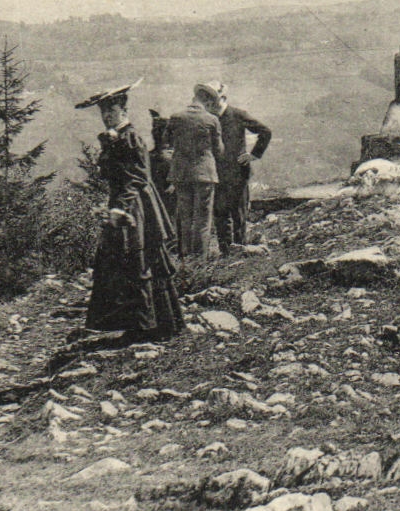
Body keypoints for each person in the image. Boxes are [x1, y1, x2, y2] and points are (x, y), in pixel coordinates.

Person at [75, 81, 185, 342]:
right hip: (125, 202)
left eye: (111, 113)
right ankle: (142, 323)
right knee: (126, 261)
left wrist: (120, 208)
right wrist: (109, 145)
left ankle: (149, 327)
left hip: (135, 204)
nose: (106, 118)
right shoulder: (117, 137)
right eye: (104, 114)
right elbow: (109, 173)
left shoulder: (131, 137)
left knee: (140, 261)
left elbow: (136, 178)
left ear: (124, 112)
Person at [199, 82, 272, 253]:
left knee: (238, 213)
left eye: (212, 100)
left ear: (223, 98)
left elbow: (265, 132)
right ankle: (225, 250)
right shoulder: (209, 119)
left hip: (238, 173)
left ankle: (241, 248)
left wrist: (253, 155)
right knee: (219, 212)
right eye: (206, 101)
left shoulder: (237, 115)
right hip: (217, 173)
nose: (209, 104)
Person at [163, 85, 224, 259]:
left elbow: (165, 145)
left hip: (181, 174)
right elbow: (219, 151)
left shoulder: (176, 118)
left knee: (185, 217)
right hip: (205, 174)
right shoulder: (212, 120)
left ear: (194, 98)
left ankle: (185, 258)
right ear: (208, 101)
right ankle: (200, 261)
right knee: (203, 220)